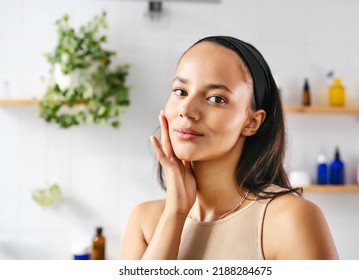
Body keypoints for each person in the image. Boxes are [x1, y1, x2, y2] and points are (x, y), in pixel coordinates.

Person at [121, 36, 339, 260]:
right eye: (180, 91)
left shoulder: (289, 220)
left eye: (216, 98)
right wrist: (175, 214)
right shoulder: (145, 222)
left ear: (251, 122)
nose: (186, 109)